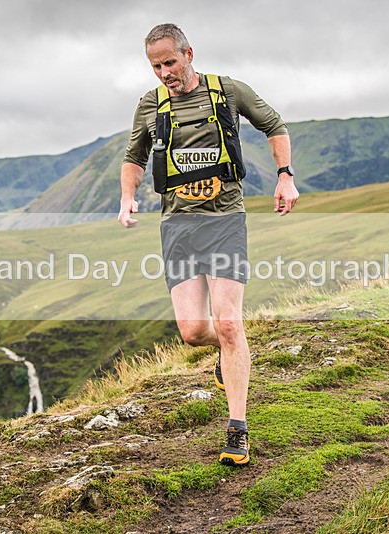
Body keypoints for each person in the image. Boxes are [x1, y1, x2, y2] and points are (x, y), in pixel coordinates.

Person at [117, 23, 299, 465]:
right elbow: (134, 157)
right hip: (178, 225)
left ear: (189, 54)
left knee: (231, 323)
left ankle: (237, 428)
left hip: (224, 221)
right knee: (194, 331)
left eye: (170, 63)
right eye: (156, 66)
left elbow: (273, 123)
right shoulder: (150, 105)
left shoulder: (227, 91)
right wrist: (127, 198)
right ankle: (227, 352)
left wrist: (285, 175)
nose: (164, 73)